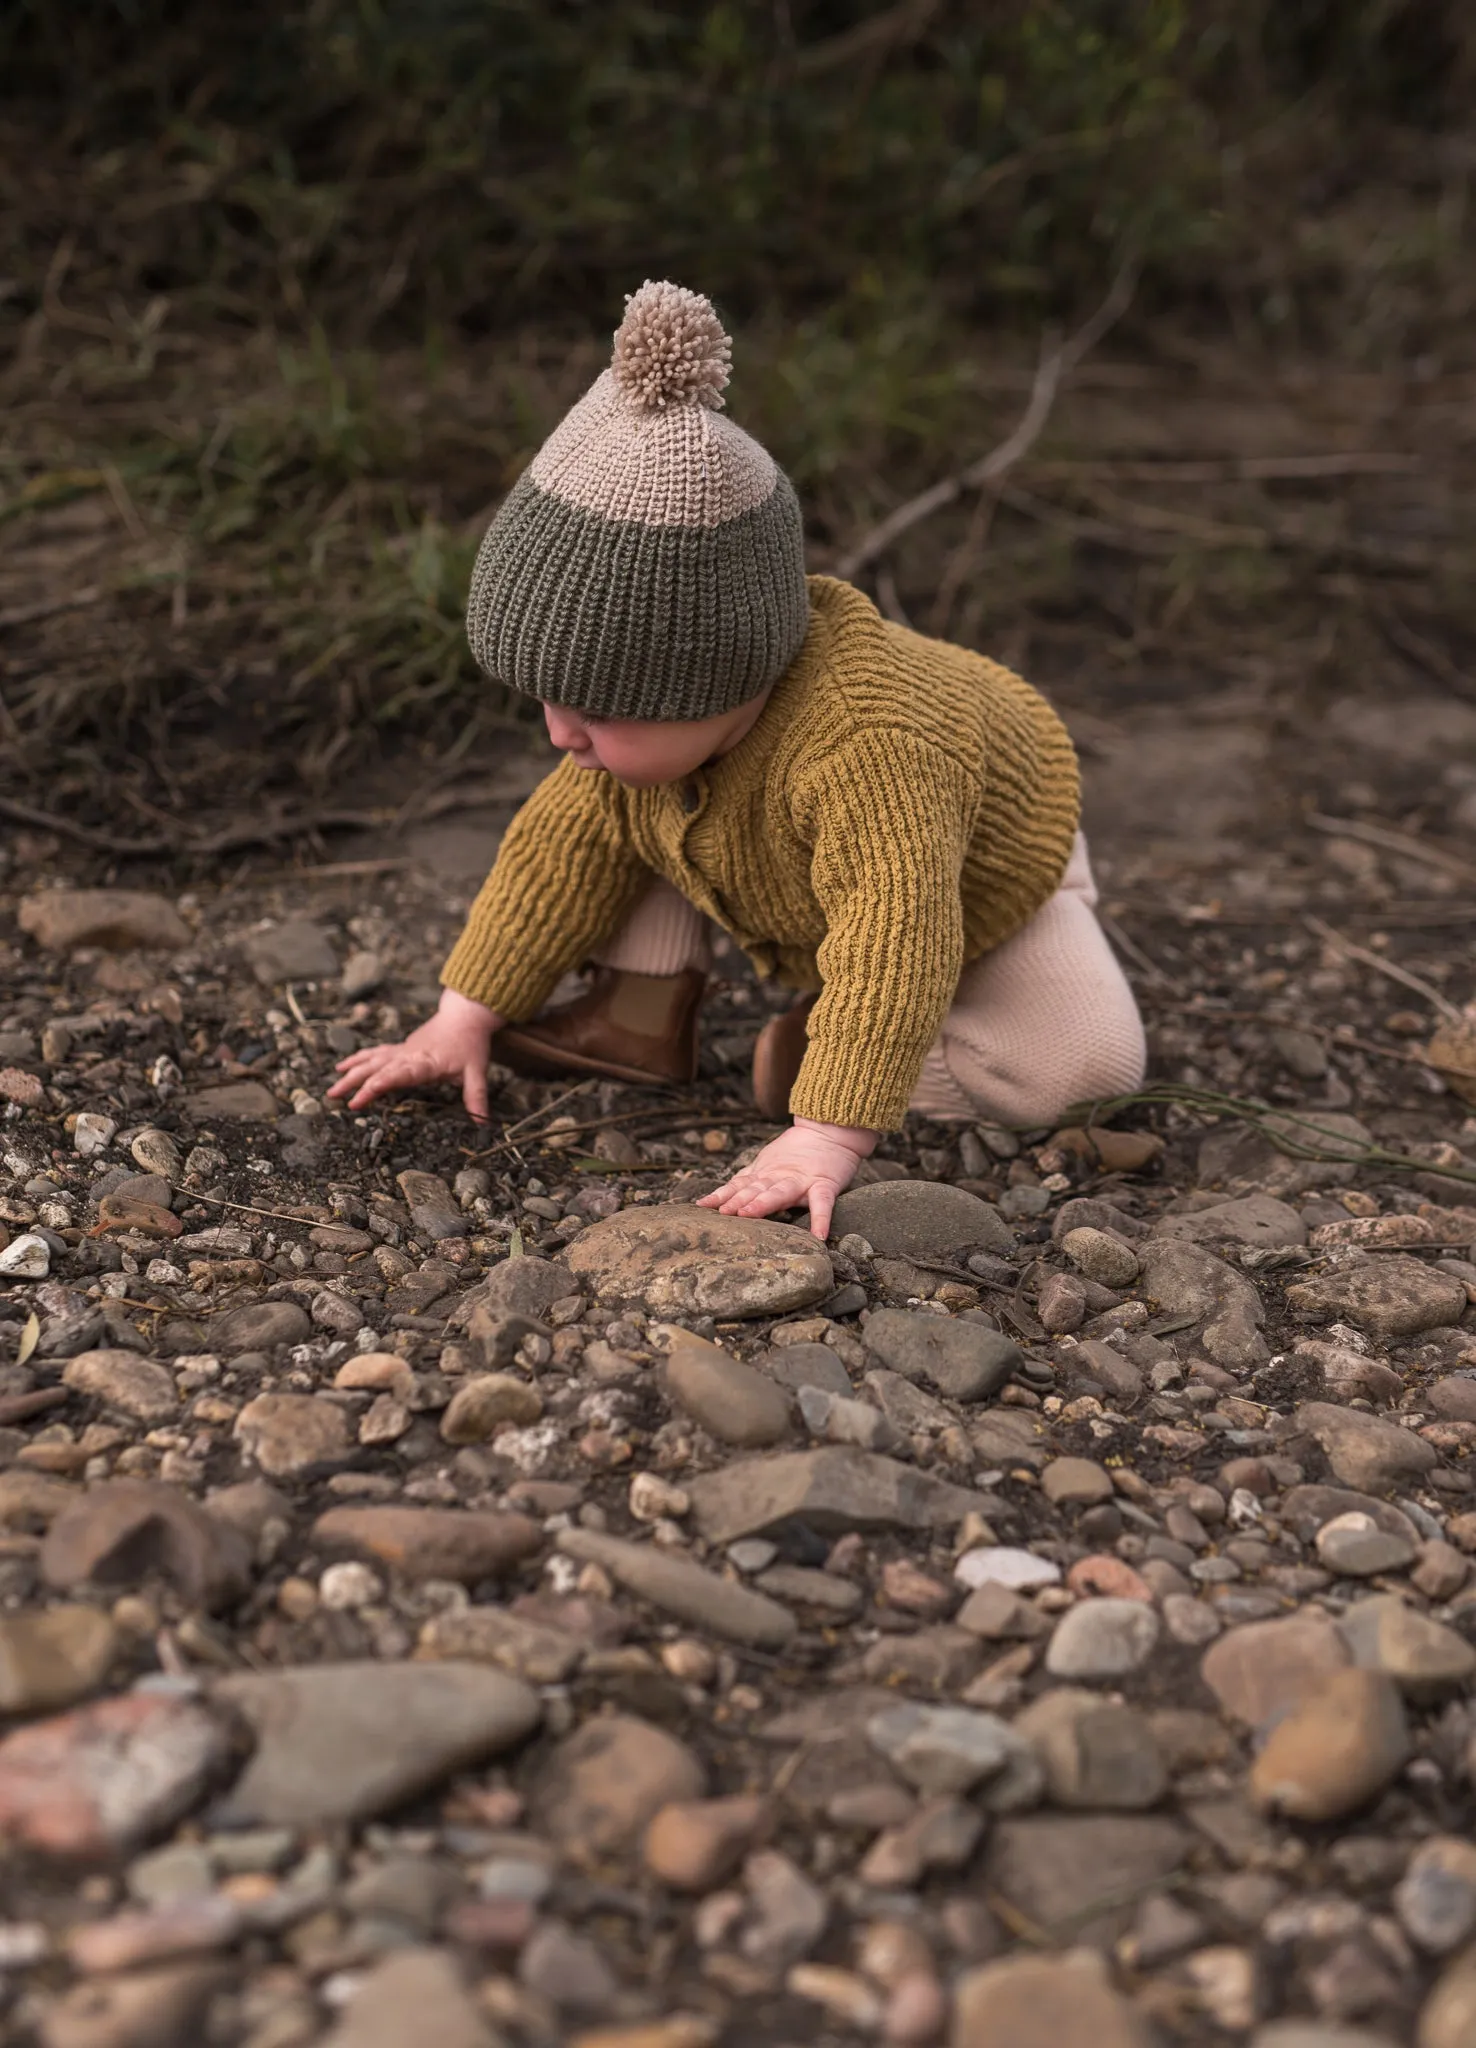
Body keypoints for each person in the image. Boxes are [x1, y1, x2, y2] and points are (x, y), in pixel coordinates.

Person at [328, 281, 1146, 1238]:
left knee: (1085, 1072)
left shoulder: (872, 749)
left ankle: (827, 1048)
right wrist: (461, 1017)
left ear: (722, 674)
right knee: (612, 809)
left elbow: (897, 931)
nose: (559, 733)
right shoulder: (654, 731)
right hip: (776, 847)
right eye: (546, 701)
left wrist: (824, 1134)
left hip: (977, 884)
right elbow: (553, 856)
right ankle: (638, 1016)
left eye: (596, 707)